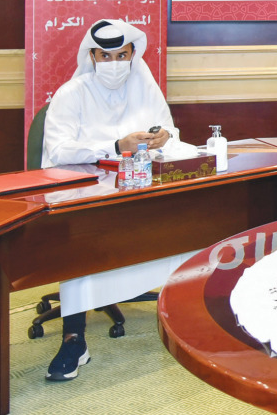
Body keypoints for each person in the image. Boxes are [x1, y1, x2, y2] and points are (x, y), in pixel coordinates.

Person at [42, 19, 179, 381]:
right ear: (92, 55)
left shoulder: (145, 87)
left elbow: (171, 133)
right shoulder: (72, 93)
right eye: (106, 55)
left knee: (187, 223)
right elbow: (58, 151)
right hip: (84, 194)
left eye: (122, 55)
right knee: (81, 244)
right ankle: (74, 339)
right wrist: (116, 146)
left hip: (140, 188)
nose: (115, 62)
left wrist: (164, 137)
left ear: (133, 53)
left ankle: (185, 317)